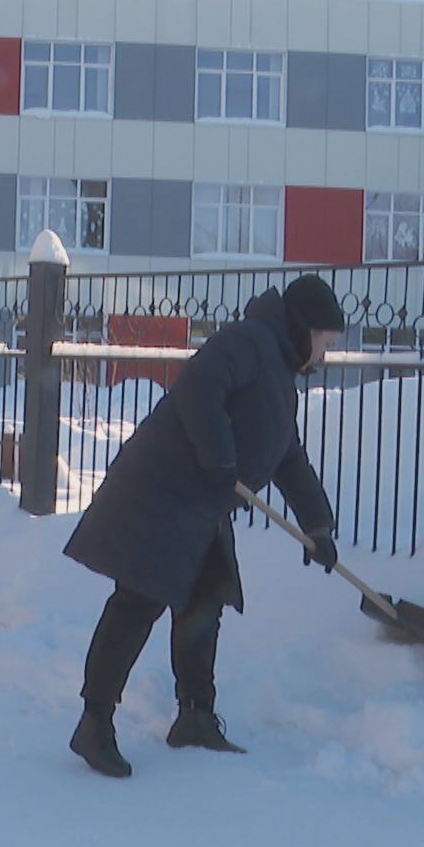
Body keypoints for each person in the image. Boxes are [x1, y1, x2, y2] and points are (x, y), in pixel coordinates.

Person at [62, 274, 346, 778]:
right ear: (304, 328)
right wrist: (219, 456)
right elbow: (199, 388)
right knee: (138, 603)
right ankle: (94, 723)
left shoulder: (278, 375)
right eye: (326, 341)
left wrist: (318, 526)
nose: (325, 355)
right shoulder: (248, 341)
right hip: (163, 493)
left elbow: (288, 457)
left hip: (201, 508)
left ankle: (195, 715)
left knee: (205, 601)